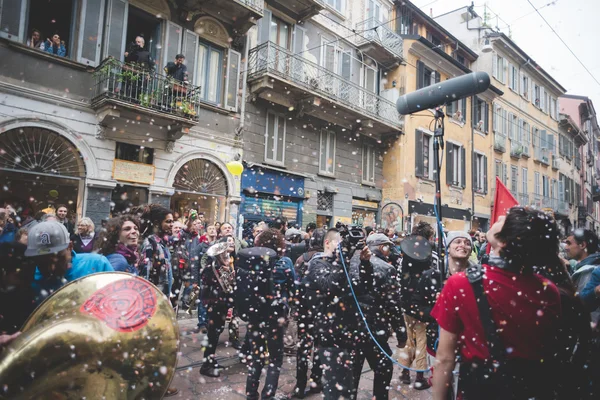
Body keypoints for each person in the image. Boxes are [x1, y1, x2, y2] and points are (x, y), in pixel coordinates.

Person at [431, 208, 563, 400]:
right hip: (530, 389)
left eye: (504, 220)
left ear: (503, 241)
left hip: (481, 389)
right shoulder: (548, 290)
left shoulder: (460, 283)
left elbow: (444, 359)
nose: (500, 216)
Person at [303, 228, 370, 400]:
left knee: (348, 385)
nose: (342, 247)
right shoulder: (317, 264)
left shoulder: (344, 263)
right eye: (339, 243)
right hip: (329, 333)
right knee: (334, 386)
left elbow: (363, 289)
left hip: (349, 331)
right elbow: (330, 286)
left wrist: (365, 263)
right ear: (327, 243)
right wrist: (342, 260)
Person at [244, 229, 296, 400]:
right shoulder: (285, 262)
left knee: (256, 356)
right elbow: (294, 287)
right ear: (279, 245)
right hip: (276, 315)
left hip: (254, 314)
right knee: (275, 358)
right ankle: (268, 395)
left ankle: (251, 394)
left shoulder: (250, 261)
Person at [349, 233, 402, 400]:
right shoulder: (387, 268)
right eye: (388, 246)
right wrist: (401, 334)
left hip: (353, 326)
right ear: (381, 247)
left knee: (352, 372)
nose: (390, 250)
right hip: (375, 328)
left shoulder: (351, 261)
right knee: (383, 367)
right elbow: (393, 304)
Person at [25, 221, 114, 305]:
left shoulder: (97, 264)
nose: (51, 268)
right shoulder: (30, 278)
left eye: (59, 258)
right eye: (42, 262)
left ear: (70, 247)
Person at [292, 228, 326, 398]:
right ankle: (316, 380)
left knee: (303, 349)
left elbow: (296, 286)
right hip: (323, 312)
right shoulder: (329, 259)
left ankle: (299, 385)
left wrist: (296, 308)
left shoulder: (301, 259)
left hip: (305, 311)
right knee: (319, 348)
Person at [397, 234, 434, 389]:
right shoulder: (427, 260)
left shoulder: (405, 261)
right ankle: (419, 377)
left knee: (408, 342)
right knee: (421, 343)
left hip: (407, 307)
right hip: (422, 309)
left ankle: (405, 373)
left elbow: (401, 282)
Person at [199, 236, 237, 378]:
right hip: (215, 305)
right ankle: (206, 366)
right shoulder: (211, 268)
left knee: (216, 333)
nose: (226, 255)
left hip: (222, 304)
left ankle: (211, 360)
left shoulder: (223, 267)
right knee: (212, 335)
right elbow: (206, 290)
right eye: (223, 253)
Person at [138, 204, 174, 296]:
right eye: (168, 222)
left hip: (162, 299)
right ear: (157, 223)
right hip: (153, 299)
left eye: (172, 222)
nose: (172, 225)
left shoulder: (162, 243)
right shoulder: (149, 244)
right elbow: (145, 278)